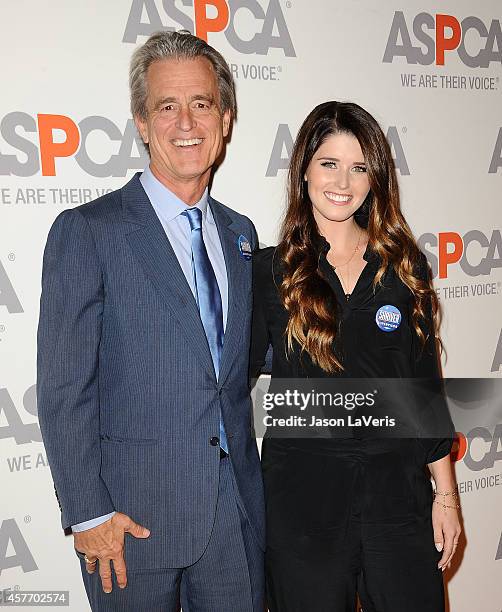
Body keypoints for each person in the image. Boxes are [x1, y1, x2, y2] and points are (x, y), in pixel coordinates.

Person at [37, 31, 264, 612]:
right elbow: (65, 387)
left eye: (203, 104)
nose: (186, 122)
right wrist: (88, 513)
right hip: (129, 529)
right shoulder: (89, 231)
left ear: (226, 118)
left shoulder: (241, 235)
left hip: (233, 523)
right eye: (167, 106)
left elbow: (239, 367)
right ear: (141, 121)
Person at [250, 101, 461, 611]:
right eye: (329, 163)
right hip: (302, 505)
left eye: (359, 166)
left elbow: (423, 391)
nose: (342, 180)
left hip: (397, 500)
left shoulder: (402, 267)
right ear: (303, 169)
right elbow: (227, 385)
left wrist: (446, 497)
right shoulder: (268, 272)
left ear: (375, 179)